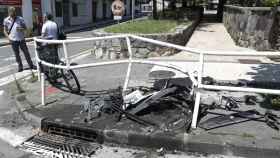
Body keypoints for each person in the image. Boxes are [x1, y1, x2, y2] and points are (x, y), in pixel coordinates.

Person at [3, 7, 35, 72]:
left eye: (14, 12)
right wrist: (8, 38)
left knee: (26, 53)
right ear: (9, 12)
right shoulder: (6, 20)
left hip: (21, 39)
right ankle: (20, 66)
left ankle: (31, 65)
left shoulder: (20, 19)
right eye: (12, 12)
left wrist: (21, 29)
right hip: (13, 40)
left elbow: (25, 28)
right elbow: (4, 30)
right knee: (16, 54)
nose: (14, 14)